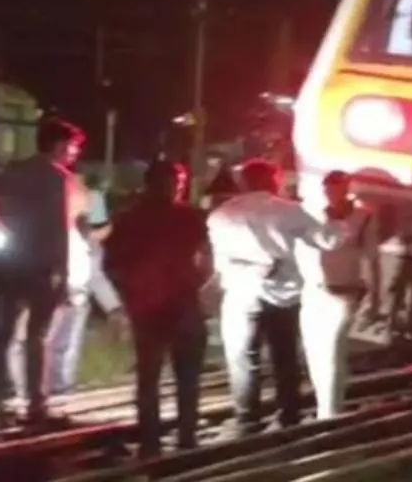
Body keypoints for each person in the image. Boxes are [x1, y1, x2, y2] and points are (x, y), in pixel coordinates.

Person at [207, 158, 341, 436]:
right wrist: (338, 213)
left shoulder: (219, 214)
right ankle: (288, 415)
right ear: (275, 180)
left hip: (240, 291)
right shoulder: (290, 211)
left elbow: (219, 260)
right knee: (285, 356)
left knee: (243, 358)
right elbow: (328, 241)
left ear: (242, 182)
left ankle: (246, 419)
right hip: (283, 295)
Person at [102, 160, 211, 458]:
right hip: (183, 304)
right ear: (176, 183)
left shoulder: (128, 220)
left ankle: (150, 440)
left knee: (148, 377)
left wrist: (130, 294)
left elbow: (110, 264)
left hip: (147, 307)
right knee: (187, 376)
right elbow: (206, 260)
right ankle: (186, 437)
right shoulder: (191, 217)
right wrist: (195, 283)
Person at [0, 117, 88, 422]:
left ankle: (1, 392)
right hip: (44, 264)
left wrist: (9, 226)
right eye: (71, 147)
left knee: (5, 330)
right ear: (57, 145)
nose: (73, 154)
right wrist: (65, 271)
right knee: (36, 335)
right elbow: (59, 229)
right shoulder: (59, 179)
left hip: (14, 259)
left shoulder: (13, 171)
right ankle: (35, 401)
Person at [297, 171, 372, 420]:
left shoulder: (363, 217)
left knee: (332, 351)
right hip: (314, 291)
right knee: (314, 352)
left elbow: (371, 257)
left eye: (337, 188)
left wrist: (376, 296)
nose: (331, 193)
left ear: (347, 188)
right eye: (328, 188)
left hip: (344, 292)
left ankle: (329, 413)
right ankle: (325, 406)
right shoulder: (314, 214)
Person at [46, 173, 125, 396]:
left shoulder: (93, 245)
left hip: (79, 300)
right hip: (58, 298)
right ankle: (43, 392)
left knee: (70, 349)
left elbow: (96, 276)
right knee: (51, 346)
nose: (96, 235)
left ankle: (63, 391)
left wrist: (114, 307)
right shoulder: (58, 238)